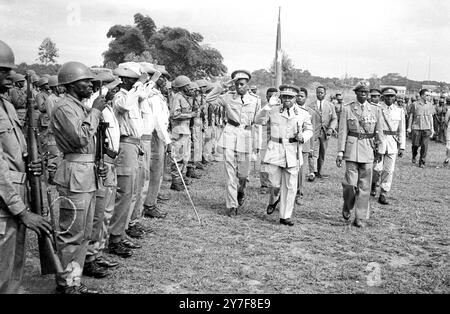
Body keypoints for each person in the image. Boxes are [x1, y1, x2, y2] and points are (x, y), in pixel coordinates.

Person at [0, 40, 52, 294]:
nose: (11, 74)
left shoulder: (6, 105)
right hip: (5, 203)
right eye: (3, 70)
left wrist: (29, 161)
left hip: (14, 197)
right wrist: (21, 211)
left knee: (13, 268)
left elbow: (13, 151)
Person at [50, 61, 107, 293]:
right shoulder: (65, 108)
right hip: (75, 174)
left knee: (83, 233)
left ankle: (73, 280)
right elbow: (80, 139)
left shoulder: (78, 106)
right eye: (86, 81)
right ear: (72, 84)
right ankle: (66, 284)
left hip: (87, 174)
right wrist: (95, 111)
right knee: (71, 232)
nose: (90, 85)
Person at [83, 71, 126, 271]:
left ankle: (98, 251)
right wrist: (103, 89)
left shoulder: (107, 107)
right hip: (102, 162)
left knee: (106, 211)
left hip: (111, 160)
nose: (116, 90)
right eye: (112, 86)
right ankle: (90, 254)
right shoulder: (94, 104)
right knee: (99, 212)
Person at [205, 70, 261, 216]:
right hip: (230, 136)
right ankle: (232, 205)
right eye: (236, 84)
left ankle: (241, 191)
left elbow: (257, 123)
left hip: (246, 137)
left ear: (248, 85)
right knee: (230, 173)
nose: (239, 87)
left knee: (243, 175)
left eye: (242, 84)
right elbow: (209, 99)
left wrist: (256, 145)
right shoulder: (227, 97)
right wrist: (222, 86)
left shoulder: (255, 100)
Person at [255, 85, 313, 226]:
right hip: (275, 149)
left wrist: (303, 136)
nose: (287, 99)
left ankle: (285, 216)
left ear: (295, 98)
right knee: (274, 184)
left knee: (291, 185)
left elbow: (309, 129)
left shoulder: (303, 113)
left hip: (293, 150)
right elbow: (258, 120)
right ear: (280, 97)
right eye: (284, 97)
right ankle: (274, 199)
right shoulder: (273, 110)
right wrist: (268, 106)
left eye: (290, 97)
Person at [108, 62, 147, 256]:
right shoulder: (121, 96)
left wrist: (141, 86)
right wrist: (138, 86)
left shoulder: (133, 94)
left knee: (131, 192)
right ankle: (114, 237)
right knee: (124, 193)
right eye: (133, 79)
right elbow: (124, 105)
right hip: (125, 145)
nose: (136, 82)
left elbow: (143, 97)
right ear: (125, 80)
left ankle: (120, 233)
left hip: (134, 145)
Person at [336, 81, 383, 228]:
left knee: (365, 186)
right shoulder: (347, 108)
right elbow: (343, 131)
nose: (364, 94)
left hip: (368, 150)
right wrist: (340, 151)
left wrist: (380, 149)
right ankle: (347, 205)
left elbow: (379, 131)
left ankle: (360, 217)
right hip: (352, 149)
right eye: (361, 92)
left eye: (366, 92)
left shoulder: (375, 109)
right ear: (356, 93)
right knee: (350, 184)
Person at [143, 64, 171, 219]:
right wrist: (167, 141)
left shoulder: (158, 94)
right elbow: (158, 122)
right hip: (156, 136)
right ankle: (149, 204)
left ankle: (151, 199)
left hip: (159, 136)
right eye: (162, 77)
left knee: (157, 171)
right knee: (154, 171)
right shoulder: (152, 95)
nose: (165, 80)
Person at [371, 87, 406, 205]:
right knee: (377, 169)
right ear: (383, 97)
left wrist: (402, 146)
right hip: (379, 142)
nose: (389, 98)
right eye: (387, 96)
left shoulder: (399, 110)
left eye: (392, 96)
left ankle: (384, 192)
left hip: (392, 143)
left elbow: (402, 129)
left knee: (389, 170)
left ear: (395, 98)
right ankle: (374, 184)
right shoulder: (377, 109)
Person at [169, 75, 197, 191]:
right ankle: (176, 181)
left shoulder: (185, 97)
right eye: (187, 85)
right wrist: (190, 115)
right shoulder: (177, 98)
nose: (190, 87)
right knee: (178, 157)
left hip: (185, 131)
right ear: (182, 87)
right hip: (178, 131)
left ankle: (181, 178)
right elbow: (174, 114)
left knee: (185, 156)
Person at [307, 85, 337, 180]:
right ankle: (313, 172)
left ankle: (319, 171)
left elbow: (334, 118)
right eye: (318, 92)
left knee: (322, 153)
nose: (319, 94)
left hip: (325, 133)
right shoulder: (311, 106)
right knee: (313, 152)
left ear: (325, 94)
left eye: (321, 92)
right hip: (314, 133)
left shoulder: (330, 106)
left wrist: (331, 129)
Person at [295, 87, 316, 205]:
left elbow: (312, 131)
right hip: (290, 145)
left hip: (304, 146)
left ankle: (299, 194)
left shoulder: (310, 112)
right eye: (297, 96)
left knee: (301, 171)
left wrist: (312, 147)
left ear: (306, 98)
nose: (299, 98)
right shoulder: (289, 109)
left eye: (301, 96)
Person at [407, 89, 435, 168]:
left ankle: (422, 162)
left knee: (424, 146)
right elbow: (411, 116)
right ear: (422, 95)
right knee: (415, 145)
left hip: (426, 128)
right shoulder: (415, 104)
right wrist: (409, 127)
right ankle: (414, 155)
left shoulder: (430, 105)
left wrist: (432, 128)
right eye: (427, 95)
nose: (428, 96)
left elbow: (431, 117)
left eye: (429, 95)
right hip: (416, 127)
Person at [259, 87, 278, 194]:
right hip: (265, 136)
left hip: (277, 138)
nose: (272, 98)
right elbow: (261, 121)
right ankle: (264, 184)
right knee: (264, 161)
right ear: (266, 97)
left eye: (274, 96)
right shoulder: (264, 107)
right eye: (270, 96)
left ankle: (274, 183)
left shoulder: (280, 107)